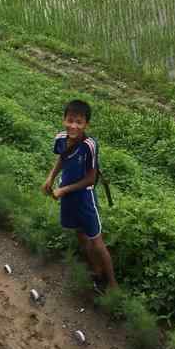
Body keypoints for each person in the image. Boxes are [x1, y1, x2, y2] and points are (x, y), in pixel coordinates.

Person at [42, 99, 117, 291]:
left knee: (97, 241)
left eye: (79, 122)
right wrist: (50, 178)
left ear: (86, 125)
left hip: (84, 198)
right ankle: (96, 271)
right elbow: (61, 158)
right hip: (66, 196)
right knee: (80, 235)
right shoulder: (60, 138)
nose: (73, 126)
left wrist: (63, 190)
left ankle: (113, 284)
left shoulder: (90, 145)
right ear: (64, 120)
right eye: (70, 120)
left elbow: (91, 179)